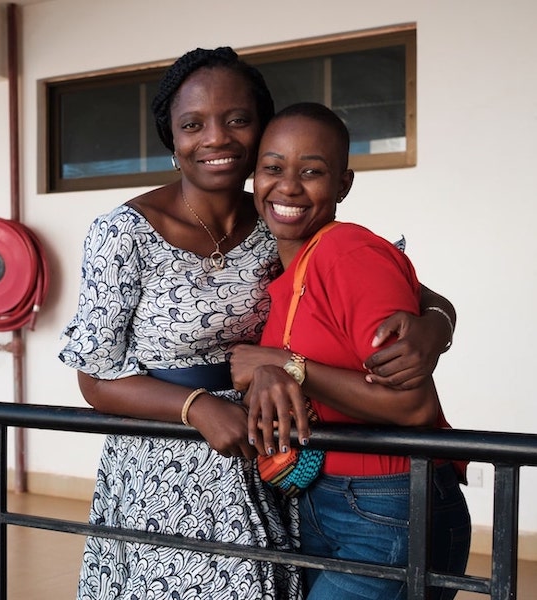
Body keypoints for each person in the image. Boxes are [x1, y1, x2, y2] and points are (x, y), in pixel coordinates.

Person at [59, 47, 454, 600]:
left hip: (282, 468)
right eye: (193, 125)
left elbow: (403, 289)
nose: (216, 138)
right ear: (172, 140)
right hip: (167, 472)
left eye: (237, 119)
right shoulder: (122, 234)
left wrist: (436, 326)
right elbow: (93, 378)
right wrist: (197, 406)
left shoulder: (282, 214)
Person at [230, 102, 471, 600]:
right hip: (329, 498)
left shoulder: (347, 252)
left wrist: (287, 366)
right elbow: (427, 298)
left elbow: (413, 406)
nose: (289, 186)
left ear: (343, 184)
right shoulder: (289, 265)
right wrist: (440, 318)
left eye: (311, 171)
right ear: (254, 178)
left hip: (388, 507)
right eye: (273, 168)